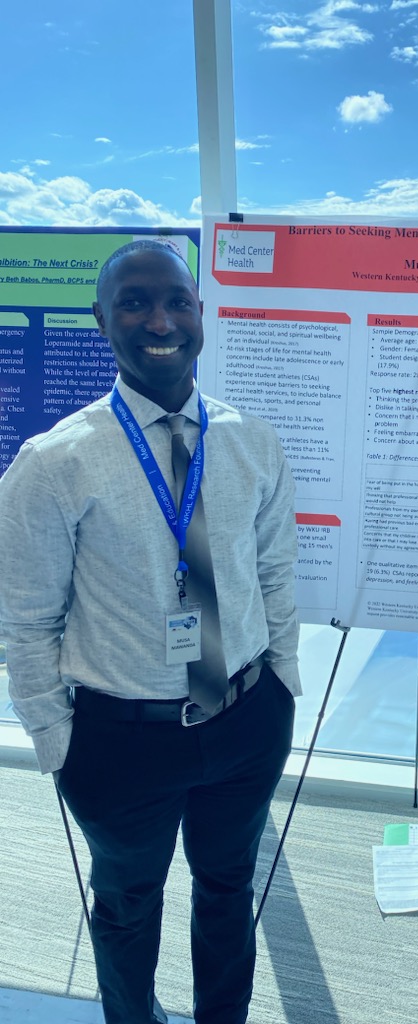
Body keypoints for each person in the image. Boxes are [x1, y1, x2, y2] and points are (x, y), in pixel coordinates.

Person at [0, 240, 301, 1024]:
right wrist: (57, 742)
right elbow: (25, 621)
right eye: (135, 302)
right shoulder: (50, 463)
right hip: (119, 741)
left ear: (200, 314)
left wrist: (283, 684)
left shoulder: (252, 441)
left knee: (229, 888)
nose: (159, 319)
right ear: (102, 320)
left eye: (176, 300)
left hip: (242, 721)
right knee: (128, 905)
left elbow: (274, 575)